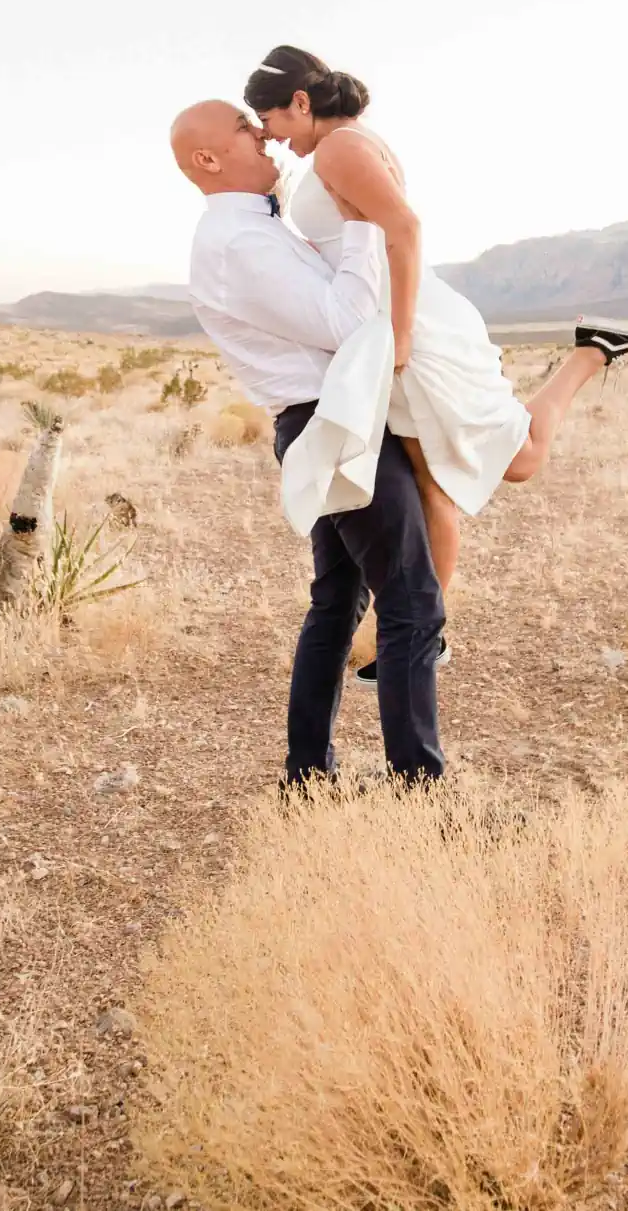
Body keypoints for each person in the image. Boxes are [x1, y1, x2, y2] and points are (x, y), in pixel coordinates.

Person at [243, 46, 628, 627]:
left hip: (411, 323)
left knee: (513, 462)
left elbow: (405, 229)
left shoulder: (340, 146)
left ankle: (591, 353)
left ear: (301, 101)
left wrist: (402, 332)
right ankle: (419, 633)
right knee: (428, 480)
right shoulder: (349, 142)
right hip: (392, 321)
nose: (272, 136)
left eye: (270, 120)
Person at [169, 97, 445, 785]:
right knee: (411, 599)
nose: (264, 135)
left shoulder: (259, 229)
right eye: (246, 130)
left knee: (339, 600)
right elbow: (346, 319)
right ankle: (423, 795)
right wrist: (360, 227)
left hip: (327, 418)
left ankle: (308, 777)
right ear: (208, 159)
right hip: (331, 423)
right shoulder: (235, 244)